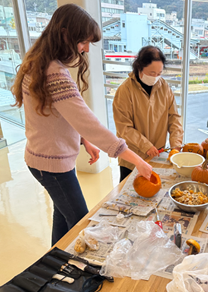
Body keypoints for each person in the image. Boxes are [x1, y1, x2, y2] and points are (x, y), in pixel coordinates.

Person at [11, 4, 152, 245]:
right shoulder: (54, 72)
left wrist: (83, 140)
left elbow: (57, 115)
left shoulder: (37, 61)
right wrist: (137, 160)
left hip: (42, 158)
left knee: (62, 217)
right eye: (83, 41)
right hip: (52, 166)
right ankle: (71, 270)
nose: (86, 49)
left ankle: (54, 262)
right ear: (65, 34)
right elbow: (89, 122)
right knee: (80, 223)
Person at [113, 46, 183, 182]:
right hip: (132, 156)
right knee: (130, 191)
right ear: (139, 67)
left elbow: (174, 117)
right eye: (151, 73)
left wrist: (176, 144)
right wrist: (146, 146)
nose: (155, 77)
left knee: (154, 187)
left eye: (159, 73)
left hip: (157, 154)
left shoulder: (164, 87)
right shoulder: (124, 91)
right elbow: (124, 128)